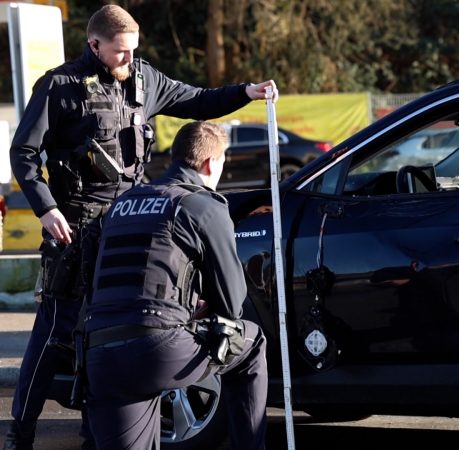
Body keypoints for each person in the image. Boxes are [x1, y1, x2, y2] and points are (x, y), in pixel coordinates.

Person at [4, 5, 278, 449]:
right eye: (120, 53)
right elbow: (24, 154)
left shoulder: (146, 80)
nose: (128, 61)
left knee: (109, 333)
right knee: (57, 329)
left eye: (133, 52)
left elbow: (199, 100)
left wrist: (247, 91)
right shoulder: (60, 86)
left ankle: (96, 431)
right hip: (74, 225)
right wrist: (46, 209)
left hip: (127, 222)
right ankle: (21, 433)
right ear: (94, 45)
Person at [85, 121, 268, 450]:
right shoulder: (203, 205)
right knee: (251, 342)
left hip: (100, 353)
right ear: (210, 163)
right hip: (159, 350)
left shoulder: (121, 205)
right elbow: (232, 303)